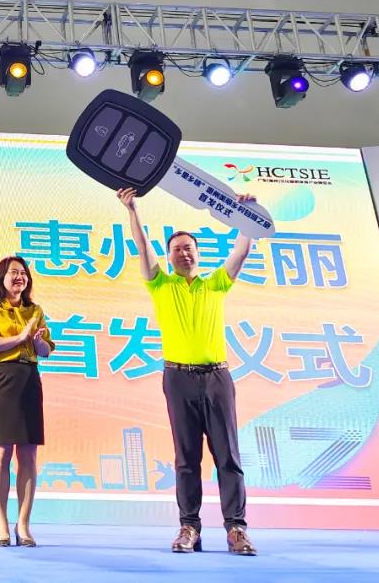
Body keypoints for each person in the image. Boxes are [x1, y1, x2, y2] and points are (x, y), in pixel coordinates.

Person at [117, 187, 258, 557]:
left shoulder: (215, 284)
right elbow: (142, 247)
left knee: (228, 457)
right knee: (186, 458)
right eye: (177, 249)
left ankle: (236, 529)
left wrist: (248, 214)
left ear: (198, 253)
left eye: (188, 248)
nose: (184, 253)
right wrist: (132, 210)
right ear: (170, 256)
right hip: (178, 378)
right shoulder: (161, 285)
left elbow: (242, 250)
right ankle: (189, 527)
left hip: (217, 378)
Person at [0, 256, 56, 548]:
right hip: (1, 379)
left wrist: (36, 341)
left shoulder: (35, 310)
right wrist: (21, 336)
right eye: (13, 273)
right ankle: (1, 524)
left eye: (23, 273)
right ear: (2, 278)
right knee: (1, 453)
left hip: (29, 378)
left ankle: (23, 525)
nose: (19, 277)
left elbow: (46, 350)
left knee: (29, 455)